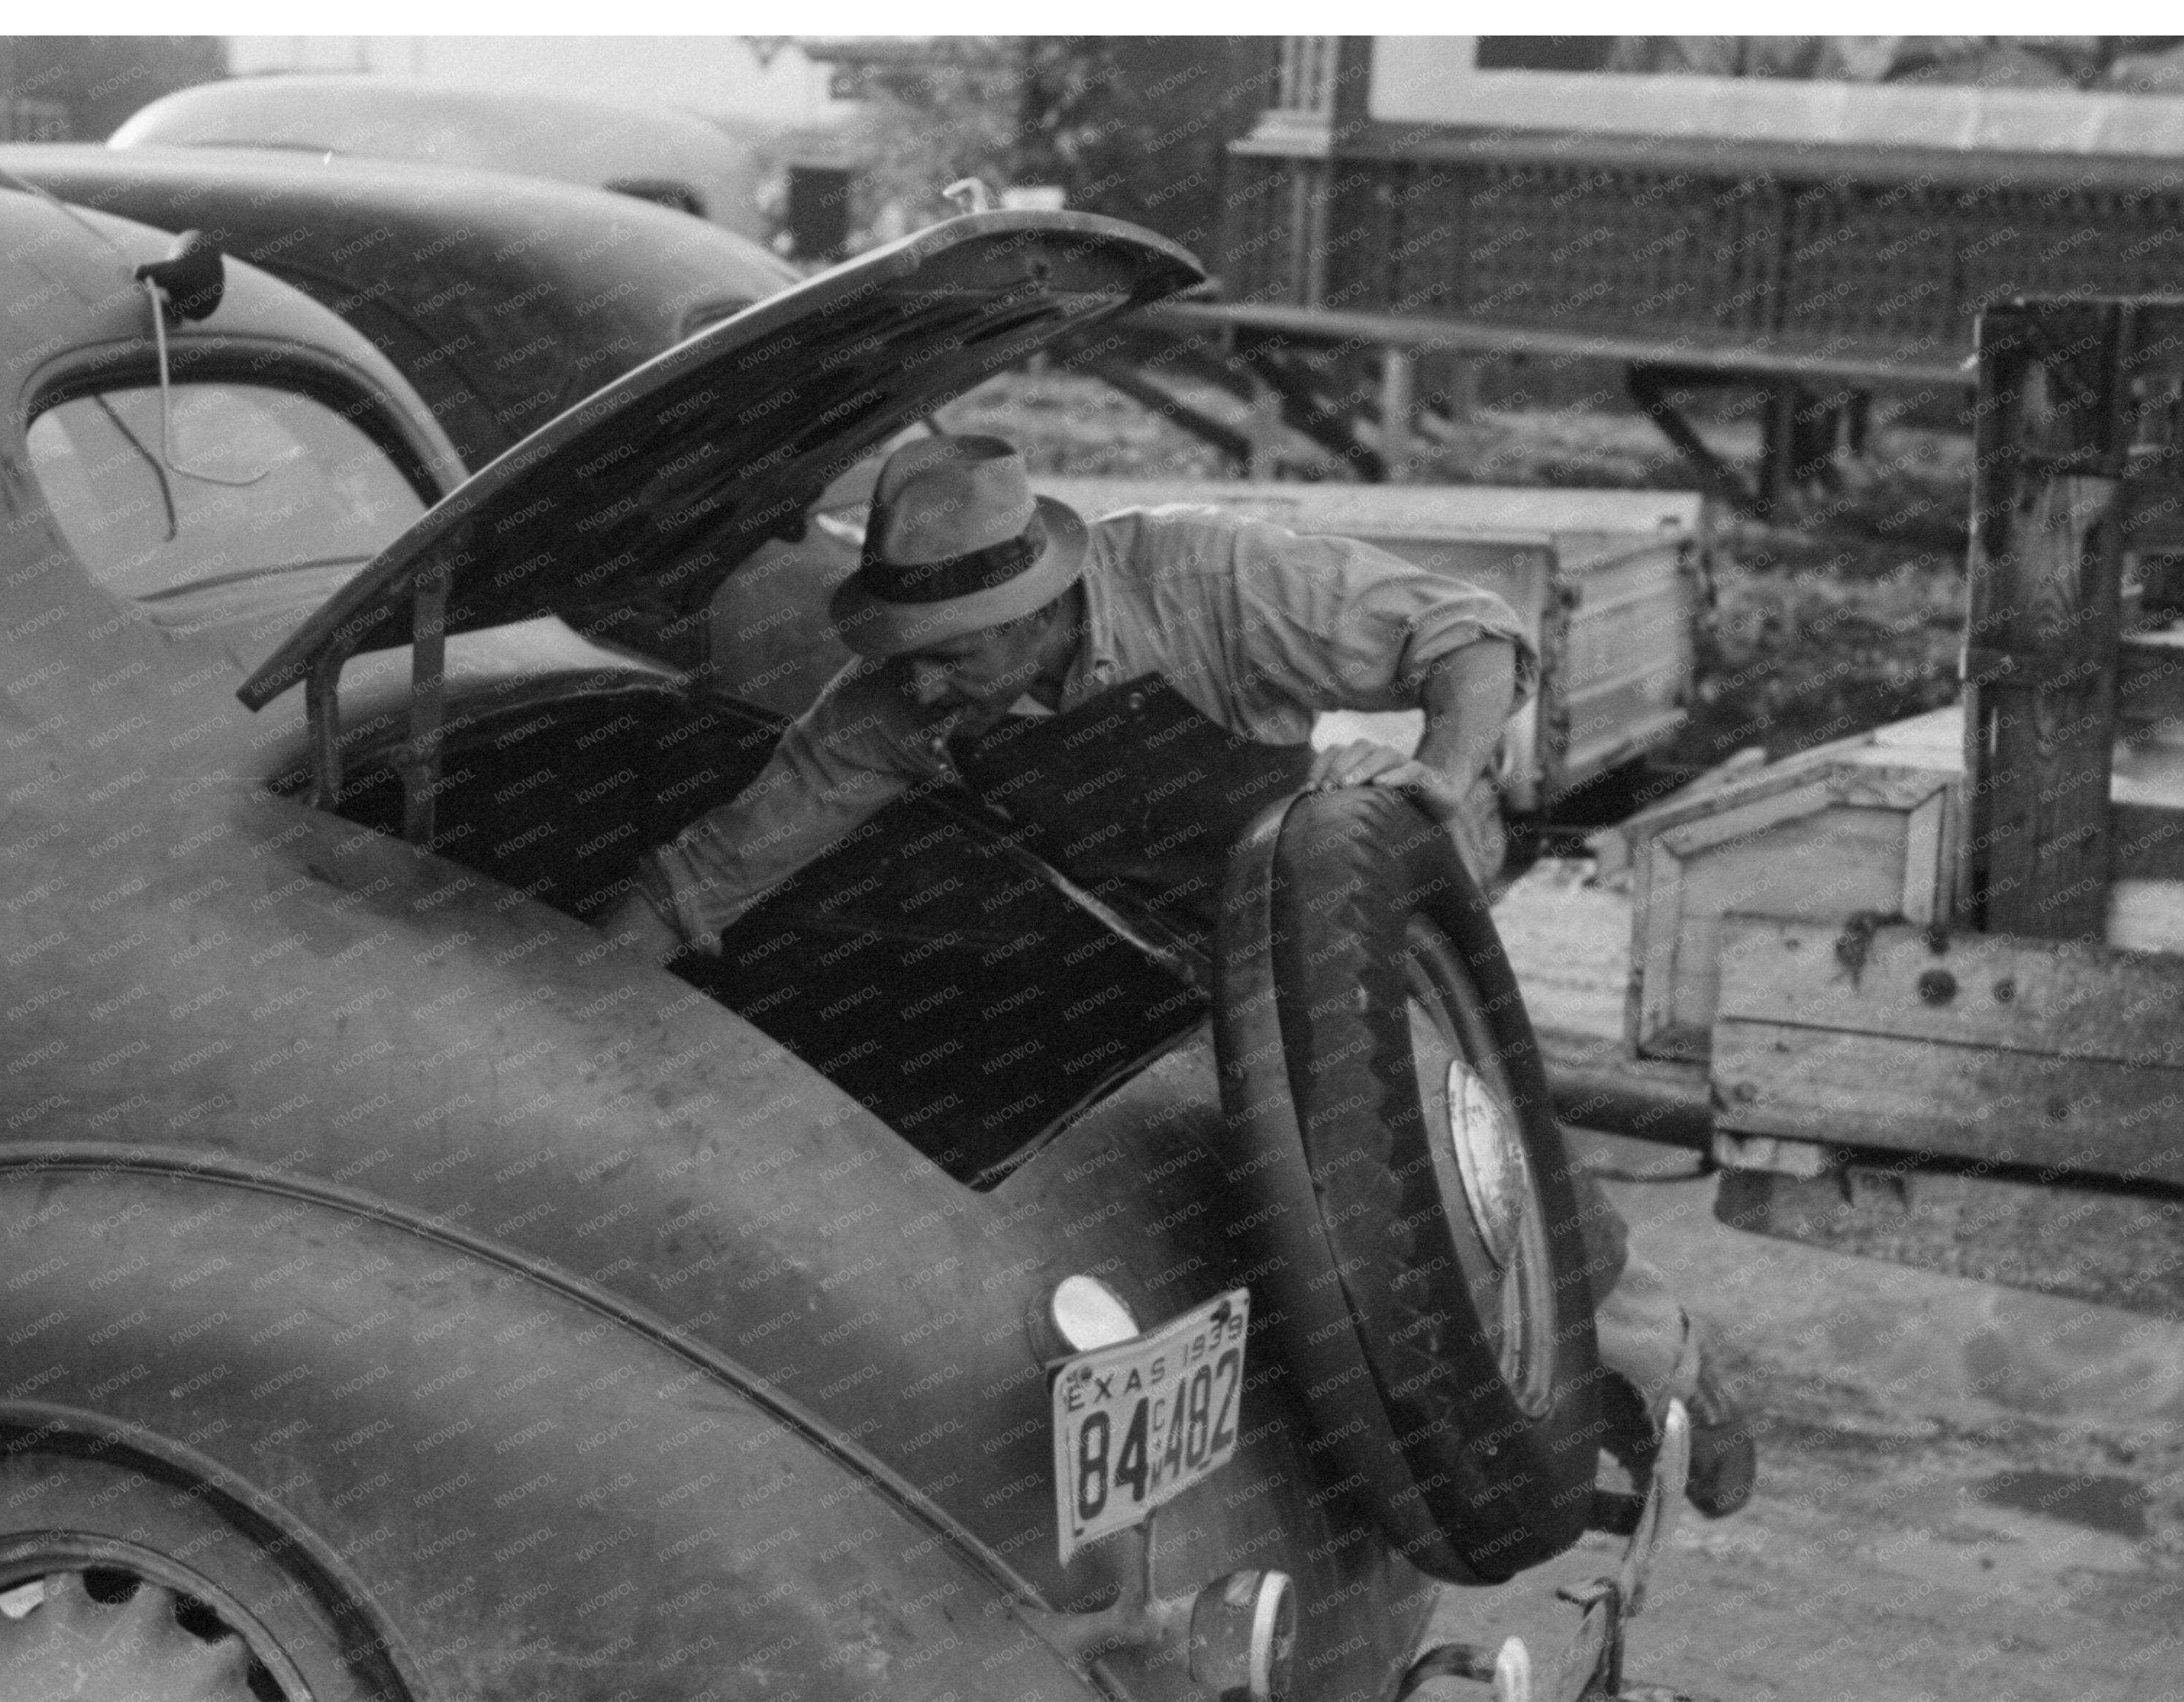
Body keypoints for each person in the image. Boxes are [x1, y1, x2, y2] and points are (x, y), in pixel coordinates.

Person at [595, 433, 1752, 1516]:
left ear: (1034, 606)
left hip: (1326, 931)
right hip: (1163, 966)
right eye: (910, 659)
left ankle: (1667, 1369)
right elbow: (708, 873)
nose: (928, 686)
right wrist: (556, 989)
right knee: (1214, 1225)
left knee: (1466, 1147)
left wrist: (1439, 780)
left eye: (950, 657)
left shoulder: (1205, 578)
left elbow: (1469, 635)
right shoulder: (898, 708)